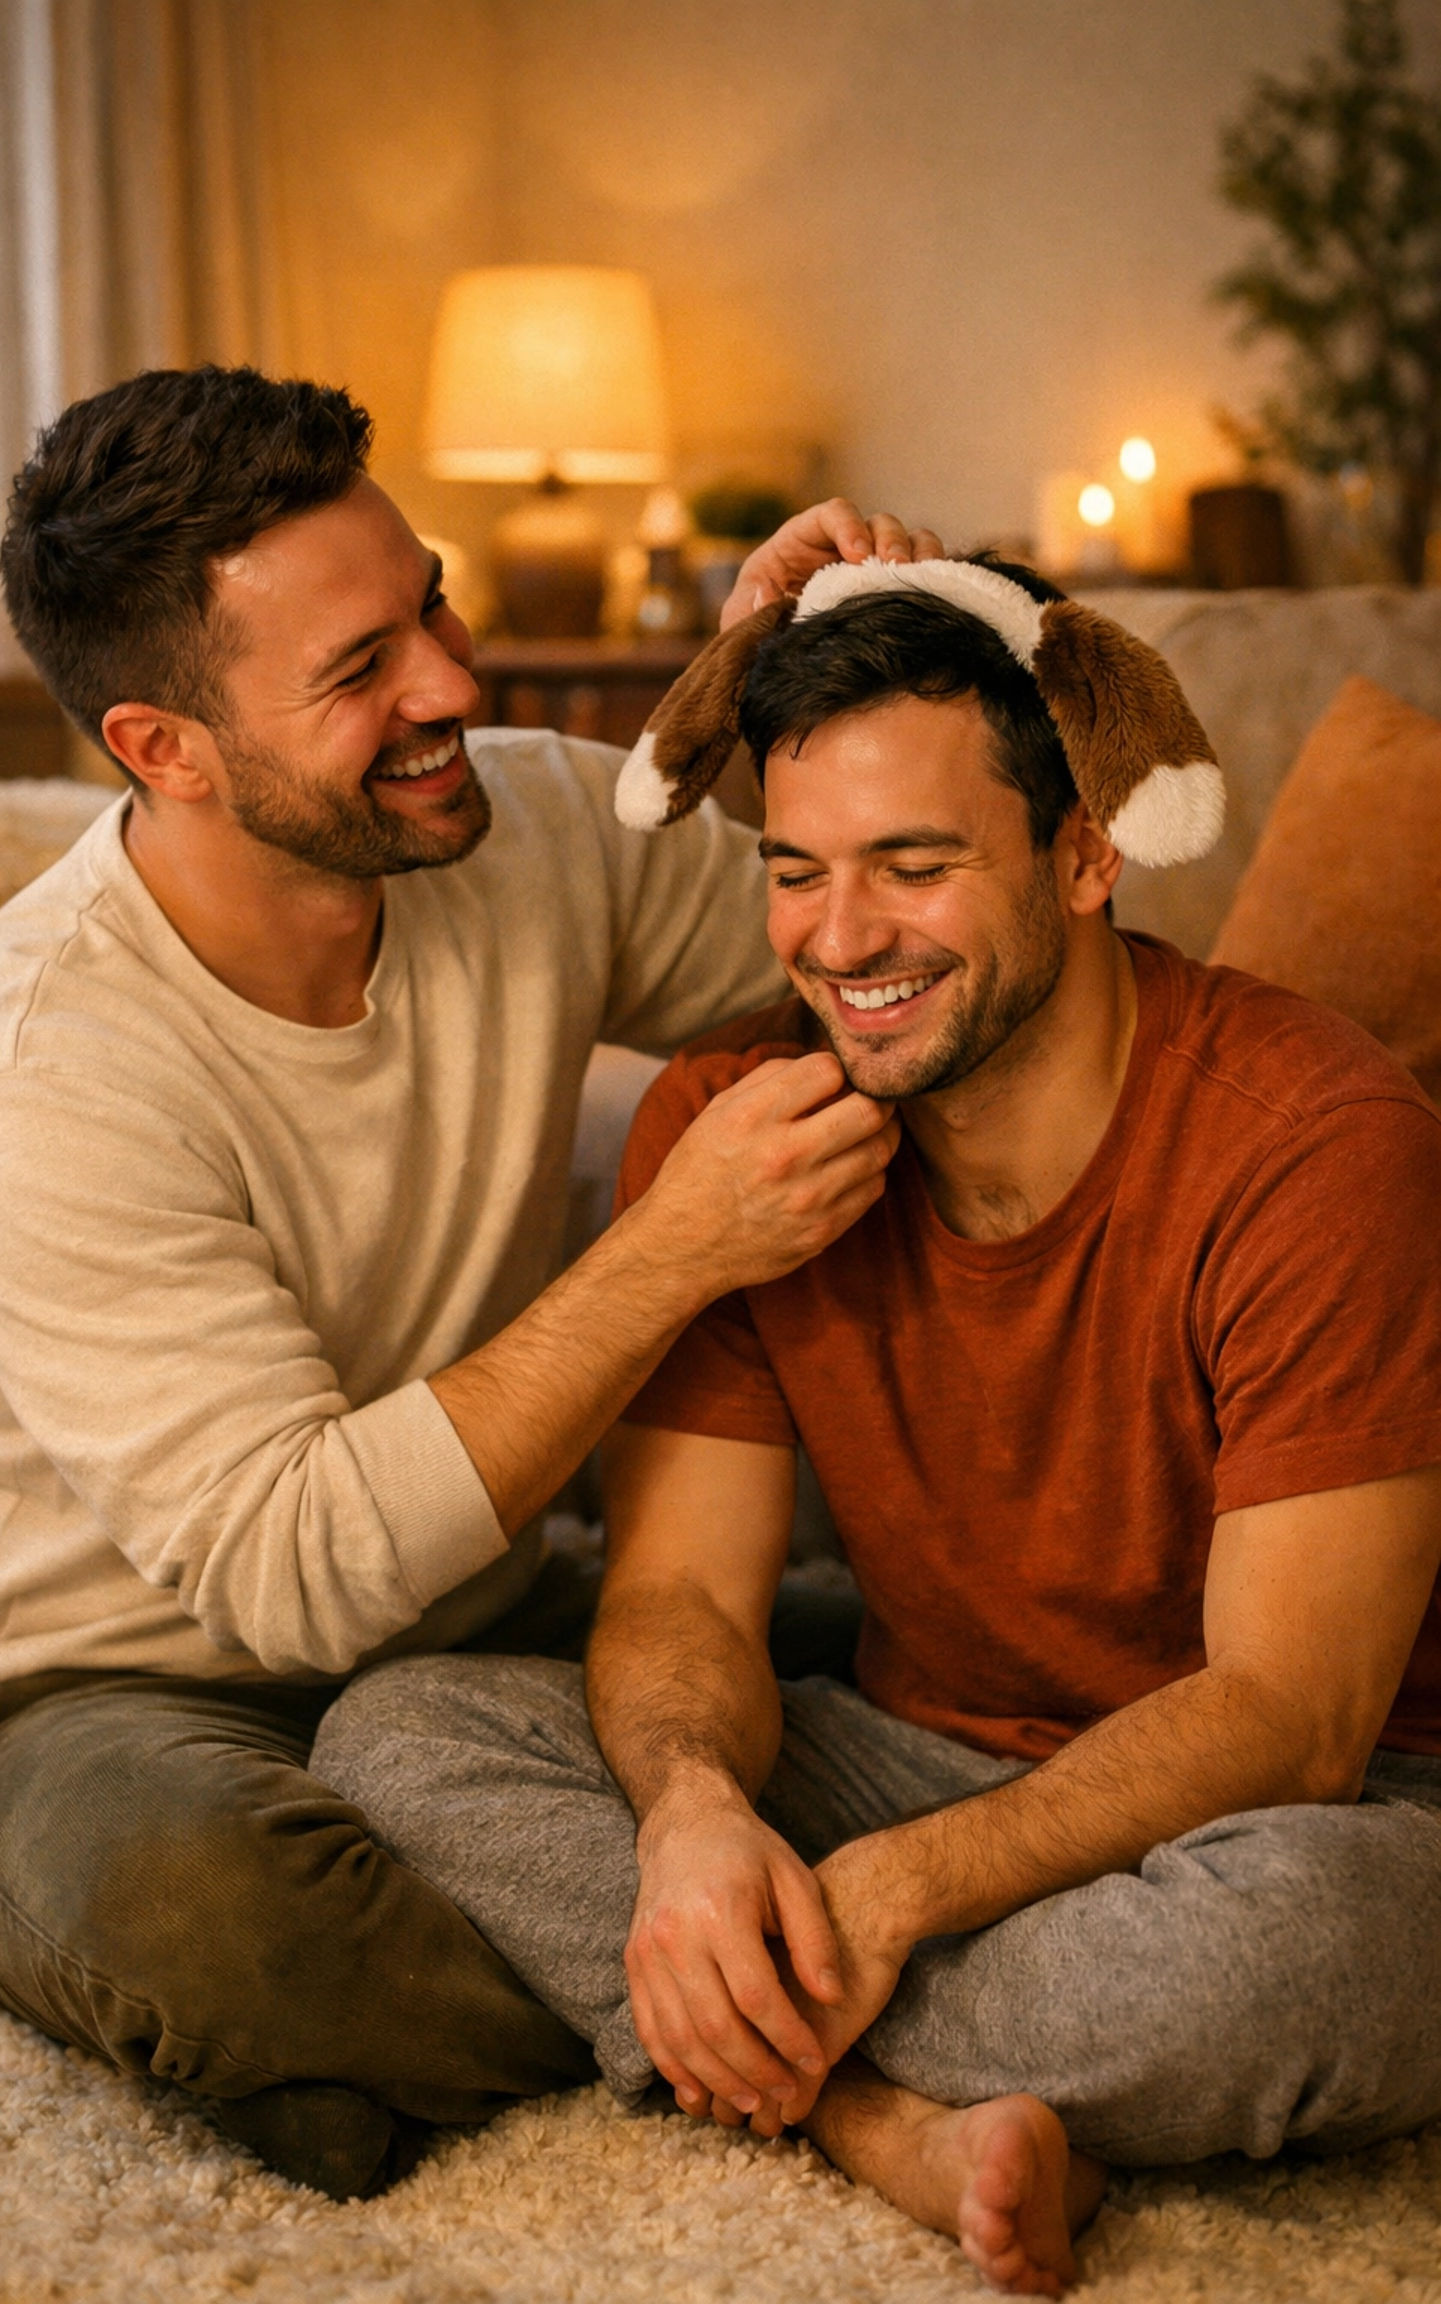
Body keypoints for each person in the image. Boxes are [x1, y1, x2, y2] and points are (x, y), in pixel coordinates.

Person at [313, 555, 1441, 2292]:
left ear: (1082, 856)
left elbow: (1293, 1716)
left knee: (1335, 1950)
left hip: (1286, 1814)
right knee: (400, 1734)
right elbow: (684, 1599)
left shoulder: (1316, 1141)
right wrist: (693, 1816)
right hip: (918, 1745)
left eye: (915, 867)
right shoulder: (738, 1125)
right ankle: (882, 2124)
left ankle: (748, 2031)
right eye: (796, 870)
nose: (842, 941)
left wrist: (887, 1895)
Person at [0, 360, 943, 2197]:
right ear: (163, 747)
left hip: (464, 1626)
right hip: (84, 1703)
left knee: (931, 1671)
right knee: (213, 1920)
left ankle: (450, 2049)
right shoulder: (36, 1079)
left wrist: (788, 684)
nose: (453, 684)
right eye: (357, 670)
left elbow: (855, 939)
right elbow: (297, 1575)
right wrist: (674, 1241)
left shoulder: (518, 824)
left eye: (430, 606)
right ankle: (844, 2018)